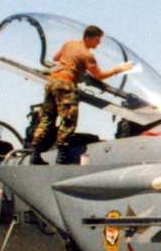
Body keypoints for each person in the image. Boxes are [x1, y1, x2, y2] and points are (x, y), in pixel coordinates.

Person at [28, 25, 134, 163]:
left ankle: (35, 156)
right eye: (97, 40)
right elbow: (99, 76)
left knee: (46, 120)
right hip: (66, 84)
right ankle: (61, 157)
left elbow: (55, 58)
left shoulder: (69, 43)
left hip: (52, 82)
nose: (99, 43)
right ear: (88, 38)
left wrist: (72, 62)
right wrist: (119, 68)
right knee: (68, 121)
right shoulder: (87, 55)